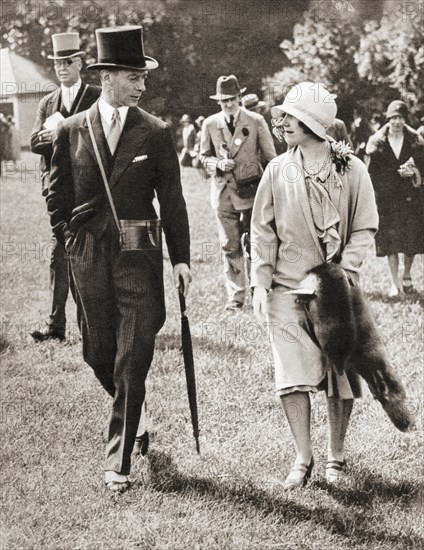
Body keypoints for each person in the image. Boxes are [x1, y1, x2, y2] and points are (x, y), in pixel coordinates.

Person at [46, 25, 191, 493]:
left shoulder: (156, 131)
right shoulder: (70, 130)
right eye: (134, 76)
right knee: (96, 351)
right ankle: (136, 410)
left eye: (142, 78)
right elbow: (56, 191)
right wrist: (69, 235)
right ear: (107, 76)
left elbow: (173, 200)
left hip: (139, 256)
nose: (142, 85)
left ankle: (119, 459)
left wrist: (181, 260)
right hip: (87, 256)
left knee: (133, 355)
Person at [251, 82, 379, 489]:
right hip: (286, 290)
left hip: (336, 292)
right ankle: (302, 456)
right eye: (283, 116)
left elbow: (364, 227)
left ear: (312, 123)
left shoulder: (353, 169)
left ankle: (336, 457)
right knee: (290, 372)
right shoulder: (276, 170)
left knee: (338, 371)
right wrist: (259, 283)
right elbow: (262, 232)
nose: (282, 122)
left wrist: (346, 270)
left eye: (290, 116)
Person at [30, 32, 101, 341]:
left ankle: (91, 324)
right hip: (58, 192)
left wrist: (64, 133)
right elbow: (34, 141)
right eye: (58, 62)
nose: (62, 67)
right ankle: (56, 326)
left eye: (68, 61)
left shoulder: (96, 96)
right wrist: (56, 134)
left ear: (80, 63)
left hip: (90, 191)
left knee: (91, 259)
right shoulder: (48, 103)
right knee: (59, 257)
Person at [200, 75, 276, 311]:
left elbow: (271, 157)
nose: (229, 104)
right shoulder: (210, 124)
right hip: (223, 194)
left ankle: (259, 290)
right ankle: (236, 296)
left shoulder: (255, 120)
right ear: (218, 102)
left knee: (255, 243)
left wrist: (271, 189)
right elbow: (202, 157)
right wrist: (217, 165)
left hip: (251, 191)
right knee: (228, 245)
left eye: (233, 99)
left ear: (240, 98)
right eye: (224, 101)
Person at [366, 100, 424, 296]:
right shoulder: (378, 143)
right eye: (393, 118)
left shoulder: (415, 141)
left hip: (411, 198)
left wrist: (415, 173)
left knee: (410, 239)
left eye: (400, 118)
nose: (397, 122)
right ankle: (394, 282)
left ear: (405, 120)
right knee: (391, 240)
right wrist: (392, 177)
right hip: (387, 198)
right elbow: (372, 172)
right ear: (388, 119)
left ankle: (407, 276)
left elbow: (422, 167)